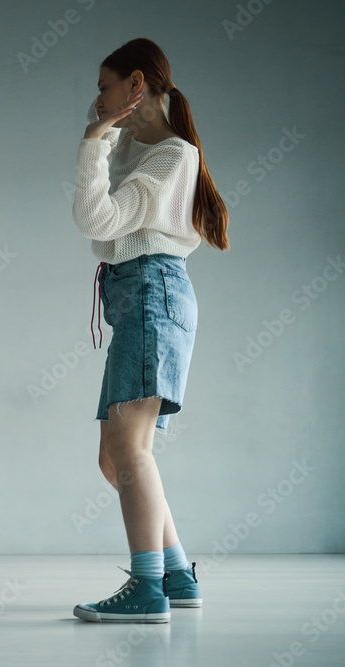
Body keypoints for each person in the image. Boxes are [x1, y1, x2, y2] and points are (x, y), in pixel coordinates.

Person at [70, 38, 228, 623]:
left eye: (105, 86)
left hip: (152, 293)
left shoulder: (173, 154)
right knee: (116, 460)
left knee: (130, 452)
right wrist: (107, 131)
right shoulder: (137, 145)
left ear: (136, 84)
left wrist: (92, 141)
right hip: (137, 297)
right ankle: (177, 576)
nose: (97, 98)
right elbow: (103, 228)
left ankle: (147, 588)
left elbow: (97, 218)